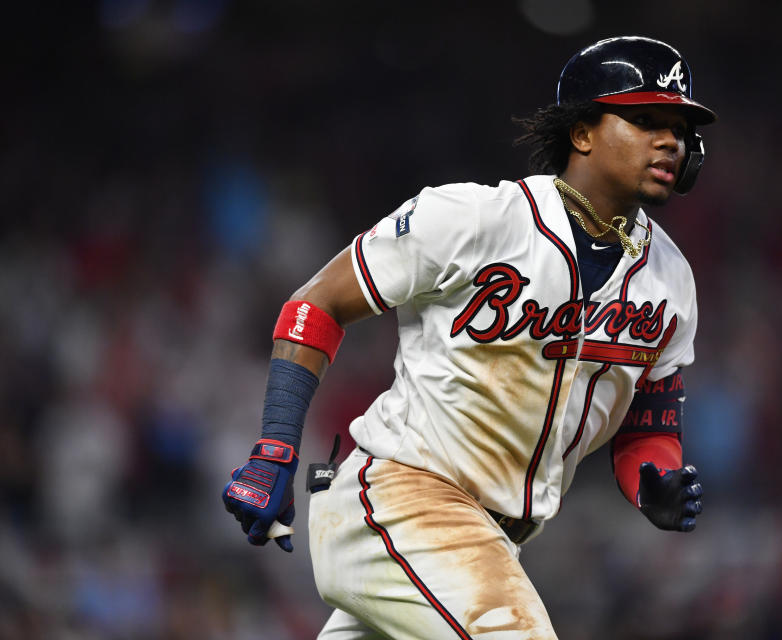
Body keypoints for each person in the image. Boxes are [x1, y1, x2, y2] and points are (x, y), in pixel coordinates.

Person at [223, 35, 716, 639]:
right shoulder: (475, 219)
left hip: (488, 544)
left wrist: (654, 483)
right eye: (645, 120)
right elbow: (316, 305)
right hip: (401, 497)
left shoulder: (671, 281)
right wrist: (274, 448)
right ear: (582, 133)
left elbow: (649, 428)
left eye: (680, 127)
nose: (671, 140)